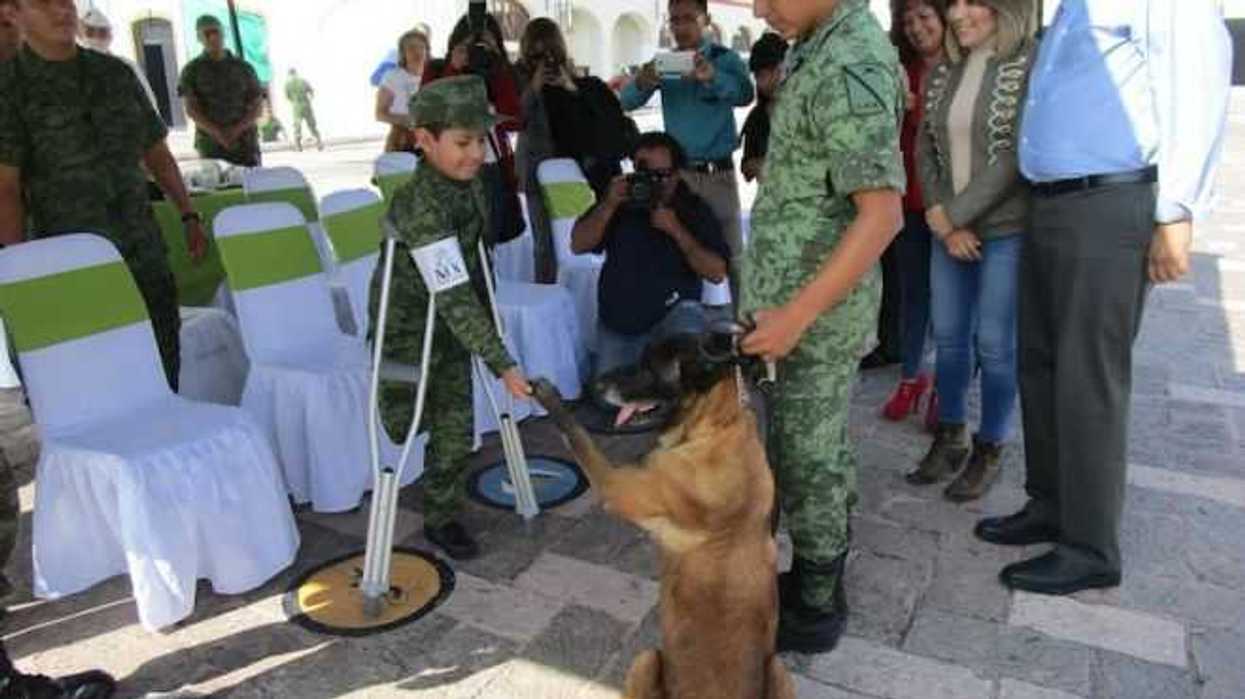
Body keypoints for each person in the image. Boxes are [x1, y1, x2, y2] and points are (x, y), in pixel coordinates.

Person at [977, 0, 1231, 595]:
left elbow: (1196, 83)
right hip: (1052, 202)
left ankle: (1089, 546)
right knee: (1040, 364)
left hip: (1107, 203)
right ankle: (1050, 505)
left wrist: (1176, 210)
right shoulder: (1071, 8)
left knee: (1087, 376)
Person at [742, 0, 905, 654]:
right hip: (787, 305)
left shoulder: (849, 59)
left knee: (807, 458)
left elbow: (882, 215)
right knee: (798, 448)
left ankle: (816, 601)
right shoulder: (814, 43)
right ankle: (814, 569)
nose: (760, 9)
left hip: (813, 317)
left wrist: (795, 315)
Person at [0, 0, 207, 392]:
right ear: (14, 13)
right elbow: (5, 188)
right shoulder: (10, 87)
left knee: (162, 371)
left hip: (142, 255)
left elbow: (157, 154)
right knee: (89, 386)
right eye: (43, 2)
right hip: (69, 266)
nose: (61, 10)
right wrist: (20, 270)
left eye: (65, 0)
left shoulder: (116, 74)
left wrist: (188, 213)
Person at [368, 75, 531, 562]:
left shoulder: (474, 185)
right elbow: (453, 292)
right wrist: (501, 360)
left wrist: (487, 324)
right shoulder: (418, 205)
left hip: (451, 329)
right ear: (424, 140)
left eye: (481, 140)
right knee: (405, 422)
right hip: (408, 331)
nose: (476, 154)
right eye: (463, 142)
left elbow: (475, 265)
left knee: (456, 432)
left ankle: (440, 516)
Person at [905, 0, 1034, 503]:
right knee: (950, 340)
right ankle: (951, 435)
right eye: (953, 3)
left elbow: (1017, 155)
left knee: (996, 345)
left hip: (1006, 229)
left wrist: (954, 214)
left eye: (971, 2)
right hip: (948, 231)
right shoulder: (943, 72)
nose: (958, 14)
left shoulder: (1026, 63)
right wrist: (944, 219)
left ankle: (991, 446)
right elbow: (925, 150)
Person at [621, 0, 754, 300]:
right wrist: (642, 81)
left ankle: (746, 325)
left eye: (688, 19)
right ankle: (686, 321)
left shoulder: (724, 59)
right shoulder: (664, 64)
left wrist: (713, 77)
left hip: (718, 175)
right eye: (674, 20)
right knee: (677, 251)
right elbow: (627, 101)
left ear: (706, 20)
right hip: (676, 179)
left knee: (734, 258)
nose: (680, 27)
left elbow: (745, 94)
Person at [571, 132, 730, 377]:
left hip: (675, 314)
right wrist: (608, 204)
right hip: (622, 322)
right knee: (610, 393)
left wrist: (676, 230)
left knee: (687, 378)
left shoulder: (693, 209)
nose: (653, 182)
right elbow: (578, 245)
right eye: (645, 174)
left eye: (661, 175)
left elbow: (716, 273)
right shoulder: (621, 203)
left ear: (677, 175)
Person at [516, 17, 635, 283]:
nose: (546, 61)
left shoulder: (586, 85)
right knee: (546, 244)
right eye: (537, 55)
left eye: (551, 53)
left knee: (591, 240)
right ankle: (548, 291)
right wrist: (534, 87)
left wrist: (571, 88)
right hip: (539, 172)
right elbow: (515, 119)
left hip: (585, 174)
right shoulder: (522, 84)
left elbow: (605, 121)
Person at [878, 0, 945, 425]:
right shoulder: (898, 67)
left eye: (924, 17)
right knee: (913, 294)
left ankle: (943, 384)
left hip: (951, 205)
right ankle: (910, 377)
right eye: (908, 21)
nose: (916, 28)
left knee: (952, 302)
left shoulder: (962, 66)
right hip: (907, 200)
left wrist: (917, 107)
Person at [423, 12, 525, 247]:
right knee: (456, 244)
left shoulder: (499, 72)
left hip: (490, 168)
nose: (476, 51)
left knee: (489, 246)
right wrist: (453, 68)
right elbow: (428, 114)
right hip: (448, 169)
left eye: (482, 44)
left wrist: (497, 66)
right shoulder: (437, 69)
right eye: (470, 44)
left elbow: (514, 121)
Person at [178, 14, 263, 166]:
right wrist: (218, 133)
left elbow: (257, 107)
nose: (212, 38)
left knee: (252, 180)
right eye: (207, 34)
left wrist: (235, 131)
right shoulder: (192, 71)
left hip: (245, 145)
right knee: (216, 180)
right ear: (199, 38)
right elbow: (191, 109)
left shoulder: (244, 68)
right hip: (211, 146)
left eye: (216, 32)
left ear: (223, 34)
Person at [79, 8, 159, 111]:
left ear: (110, 35)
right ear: (80, 35)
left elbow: (149, 103)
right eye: (90, 32)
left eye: (102, 32)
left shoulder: (127, 66)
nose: (96, 38)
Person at [739, 32, 788, 184]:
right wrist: (760, 165)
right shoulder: (757, 117)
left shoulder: (811, 108)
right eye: (762, 75)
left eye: (779, 71)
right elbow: (746, 169)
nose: (774, 79)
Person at [376, 29, 428, 153]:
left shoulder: (435, 75)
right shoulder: (392, 77)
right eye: (411, 48)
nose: (417, 52)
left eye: (421, 47)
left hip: (431, 142)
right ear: (403, 53)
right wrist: (406, 120)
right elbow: (380, 113)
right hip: (401, 141)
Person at [284, 68, 322, 152]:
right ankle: (319, 143)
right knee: (312, 124)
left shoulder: (288, 84)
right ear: (296, 73)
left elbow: (287, 97)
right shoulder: (303, 81)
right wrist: (309, 100)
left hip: (297, 106)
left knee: (297, 126)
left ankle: (298, 146)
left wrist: (294, 101)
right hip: (306, 104)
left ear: (289, 74)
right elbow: (311, 92)